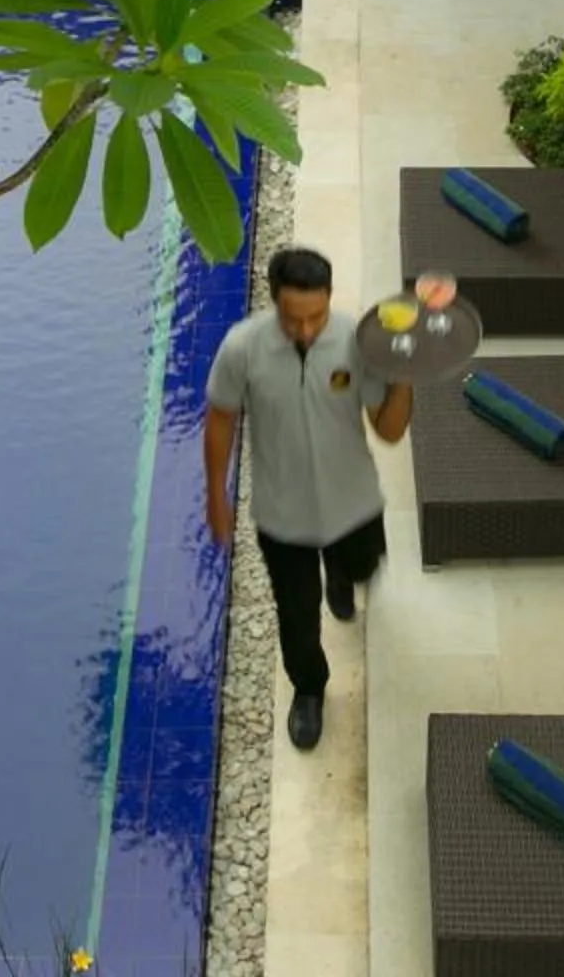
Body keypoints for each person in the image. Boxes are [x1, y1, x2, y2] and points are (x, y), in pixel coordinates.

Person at [203, 245, 413, 750]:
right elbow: (220, 418)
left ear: (329, 300)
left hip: (353, 504)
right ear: (273, 301)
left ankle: (342, 574)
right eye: (293, 319)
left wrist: (406, 377)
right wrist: (215, 495)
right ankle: (310, 690)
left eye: (316, 317)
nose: (306, 330)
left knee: (363, 569)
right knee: (297, 613)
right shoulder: (242, 348)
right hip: (284, 513)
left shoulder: (359, 343)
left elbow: (387, 431)